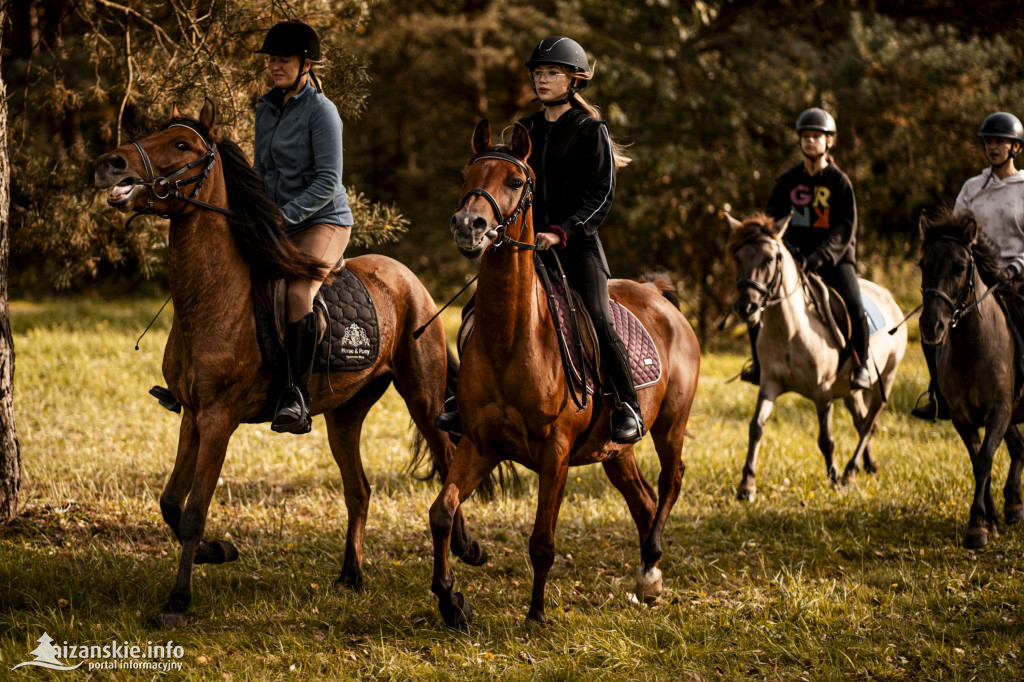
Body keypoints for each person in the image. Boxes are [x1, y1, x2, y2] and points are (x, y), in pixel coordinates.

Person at [436, 36, 642, 444]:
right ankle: (464, 402)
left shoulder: (590, 130)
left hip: (576, 245)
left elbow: (601, 195)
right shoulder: (524, 130)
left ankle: (626, 405)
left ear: (574, 81)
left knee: (598, 318)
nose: (543, 80)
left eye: (552, 73)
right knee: (474, 312)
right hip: (523, 246)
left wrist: (562, 231)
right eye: (539, 73)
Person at [741, 107, 872, 391]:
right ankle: (758, 364)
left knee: (854, 304)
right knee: (757, 298)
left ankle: (862, 365)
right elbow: (772, 222)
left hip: (835, 261)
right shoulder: (787, 181)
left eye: (817, 136)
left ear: (829, 141)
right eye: (806, 136)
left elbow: (844, 229)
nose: (811, 141)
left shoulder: (839, 182)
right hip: (793, 260)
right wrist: (788, 252)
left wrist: (819, 257)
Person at [912, 111, 1024, 420]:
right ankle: (939, 394)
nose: (993, 147)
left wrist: (1016, 268)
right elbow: (954, 232)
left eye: (1000, 141)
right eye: (988, 141)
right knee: (934, 325)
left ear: (1015, 147)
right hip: (975, 277)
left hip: (1016, 279)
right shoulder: (972, 187)